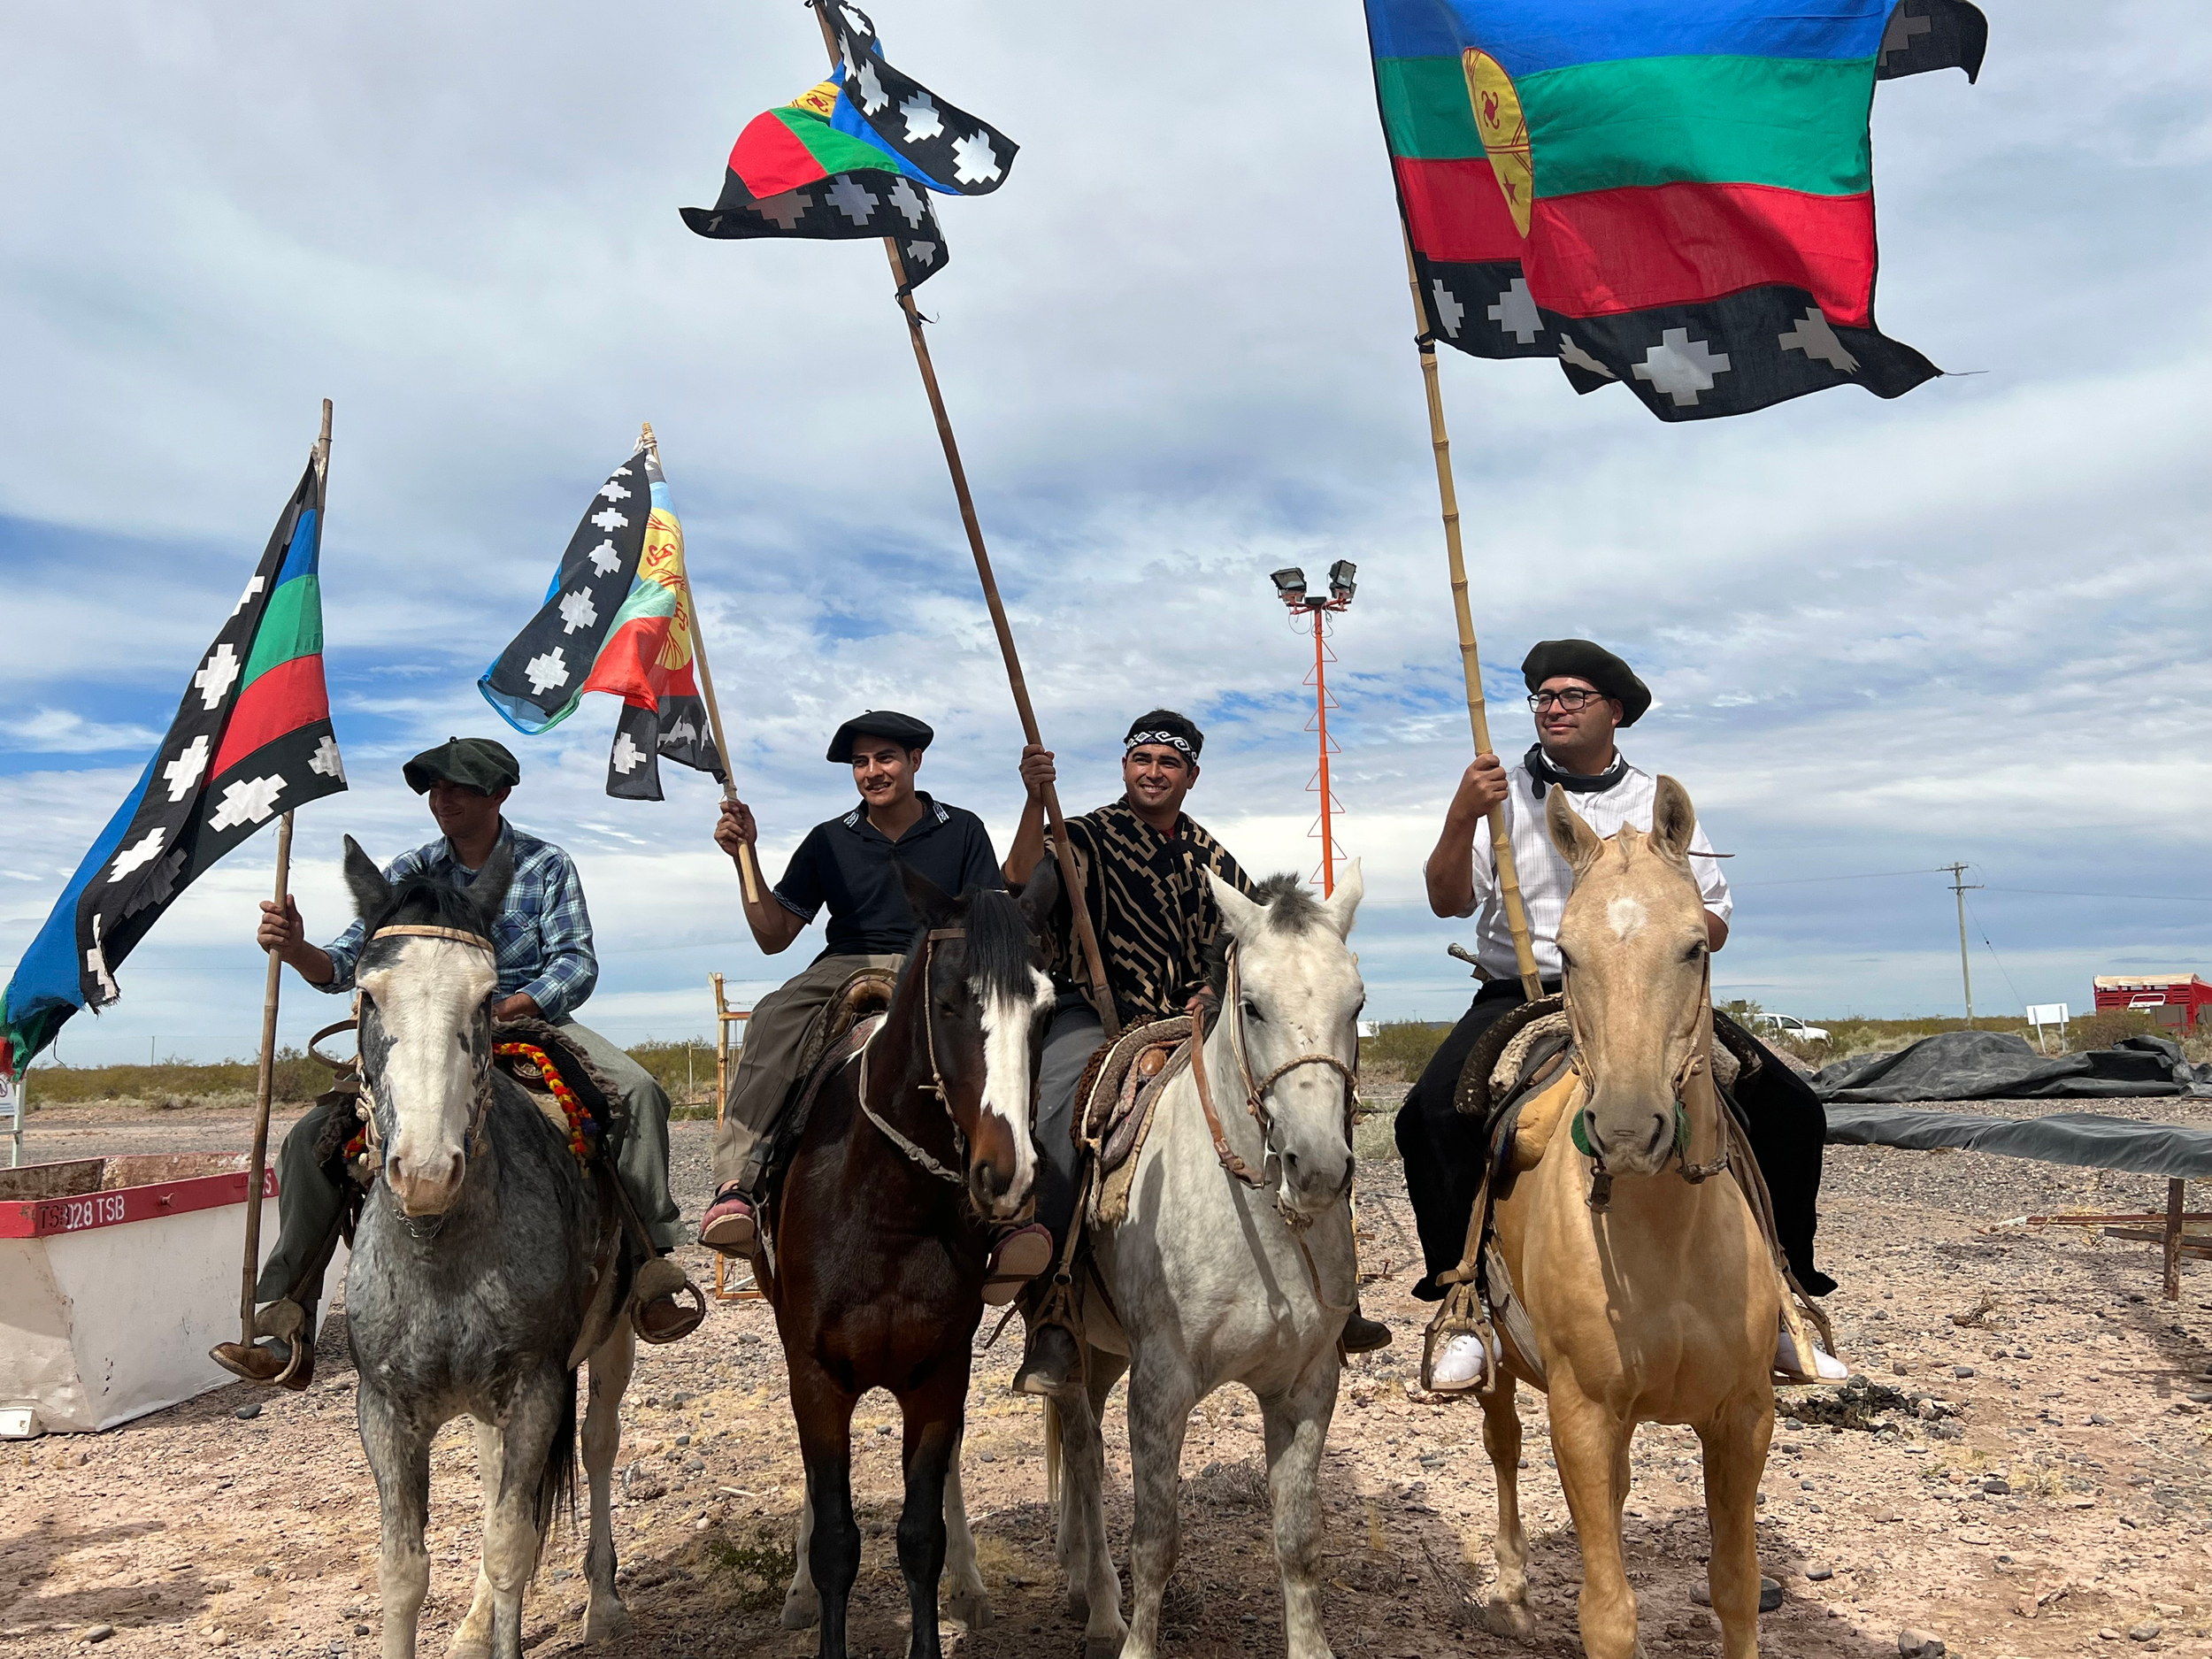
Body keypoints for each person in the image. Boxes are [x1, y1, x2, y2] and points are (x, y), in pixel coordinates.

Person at [1395, 641, 1840, 1389]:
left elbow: (1717, 922)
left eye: (1571, 695)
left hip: (1652, 988)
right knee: (1429, 1117)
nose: (1553, 706)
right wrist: (1462, 813)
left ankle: (1783, 1299)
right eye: (1542, 695)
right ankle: (1462, 1304)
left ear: (1615, 711)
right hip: (1527, 988)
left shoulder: (1660, 803)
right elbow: (1447, 898)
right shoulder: (1497, 790)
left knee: (1794, 1111)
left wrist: (1653, 925)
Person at [231, 736, 691, 1387]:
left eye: (459, 787)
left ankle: (652, 1266)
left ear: (500, 793)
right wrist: (296, 944)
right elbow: (345, 963)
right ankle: (288, 1315)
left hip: (528, 1020)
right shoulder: (411, 870)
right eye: (434, 789)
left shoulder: (545, 865)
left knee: (640, 1092)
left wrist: (506, 1006)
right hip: (425, 1030)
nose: (442, 799)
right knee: (313, 1139)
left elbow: (575, 960)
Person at [1002, 709, 1393, 1396]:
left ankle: (1338, 1289)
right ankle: (1056, 1304)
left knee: (1310, 1102)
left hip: (1186, 1019)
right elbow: (1017, 885)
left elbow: (1257, 940)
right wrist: (1036, 798)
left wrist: (1212, 994)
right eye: (1141, 759)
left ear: (1191, 775)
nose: (1153, 772)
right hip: (1091, 1015)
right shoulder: (1078, 835)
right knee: (1062, 1115)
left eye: (1168, 762)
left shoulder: (1209, 855)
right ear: (1126, 767)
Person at [695, 710, 1053, 1300]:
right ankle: (738, 1179)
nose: (872, 771)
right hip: (847, 962)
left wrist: (1034, 800)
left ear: (915, 761)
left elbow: (1006, 892)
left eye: (885, 757)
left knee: (1007, 1028)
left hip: (941, 961)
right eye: (861, 762)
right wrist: (744, 855)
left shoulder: (961, 829)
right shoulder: (829, 838)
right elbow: (773, 933)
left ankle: (1015, 1202)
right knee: (770, 1015)